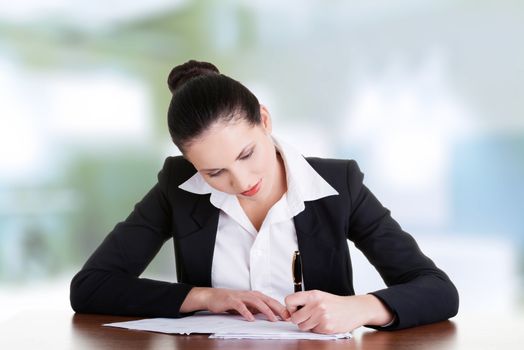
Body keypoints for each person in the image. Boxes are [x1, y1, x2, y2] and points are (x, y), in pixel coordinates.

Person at [70, 60, 459, 334]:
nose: (240, 181)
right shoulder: (179, 187)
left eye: (246, 154)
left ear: (265, 119)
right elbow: (91, 286)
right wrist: (206, 297)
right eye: (214, 172)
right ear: (191, 163)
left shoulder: (339, 183)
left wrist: (359, 308)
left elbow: (438, 290)